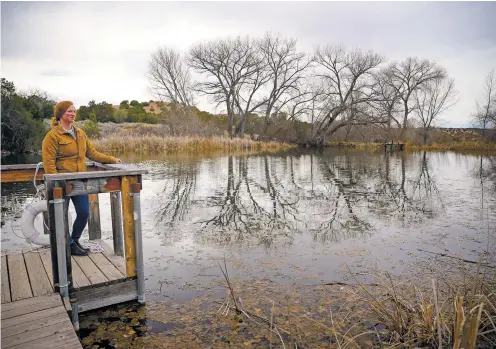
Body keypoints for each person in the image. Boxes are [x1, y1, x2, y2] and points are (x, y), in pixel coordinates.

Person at [42, 101, 122, 256]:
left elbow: (92, 153)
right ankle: (69, 245)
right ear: (60, 114)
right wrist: (56, 183)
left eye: (74, 111)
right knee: (61, 215)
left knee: (84, 212)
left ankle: (74, 240)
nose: (72, 114)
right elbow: (49, 163)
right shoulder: (52, 136)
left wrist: (112, 159)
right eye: (69, 111)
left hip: (79, 182)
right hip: (61, 183)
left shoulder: (80, 133)